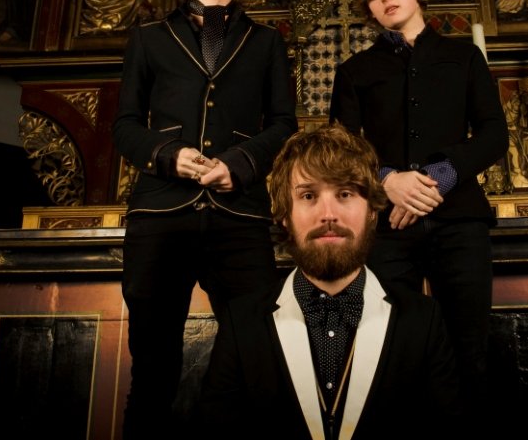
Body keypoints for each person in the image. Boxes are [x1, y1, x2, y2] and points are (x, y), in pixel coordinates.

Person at [112, 0, 298, 438]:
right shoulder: (148, 37)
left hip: (240, 218)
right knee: (153, 370)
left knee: (259, 359)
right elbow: (125, 125)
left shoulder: (266, 41)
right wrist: (167, 155)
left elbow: (283, 124)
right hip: (159, 215)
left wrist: (239, 164)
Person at [328, 0, 508, 426]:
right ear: (368, 10)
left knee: (469, 351)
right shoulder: (354, 72)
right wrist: (388, 181)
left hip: (460, 222)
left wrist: (435, 181)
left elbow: (494, 134)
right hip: (388, 228)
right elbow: (341, 149)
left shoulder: (463, 56)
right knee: (391, 350)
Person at [198, 124, 465, 439]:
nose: (328, 214)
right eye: (308, 195)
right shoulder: (242, 321)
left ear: (372, 211)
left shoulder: (423, 319)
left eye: (345, 194)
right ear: (284, 215)